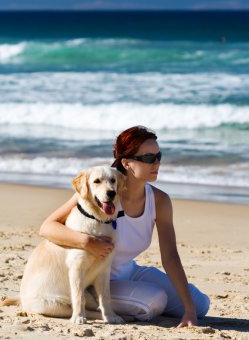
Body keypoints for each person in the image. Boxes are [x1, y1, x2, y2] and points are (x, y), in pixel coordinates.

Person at [40, 125, 210, 327]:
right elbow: (47, 227)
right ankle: (92, 305)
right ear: (127, 162)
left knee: (200, 305)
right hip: (98, 280)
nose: (156, 163)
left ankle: (142, 297)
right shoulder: (98, 192)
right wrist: (87, 242)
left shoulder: (160, 201)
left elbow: (170, 256)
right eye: (148, 158)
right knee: (154, 302)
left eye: (159, 156)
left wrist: (189, 310)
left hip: (130, 271)